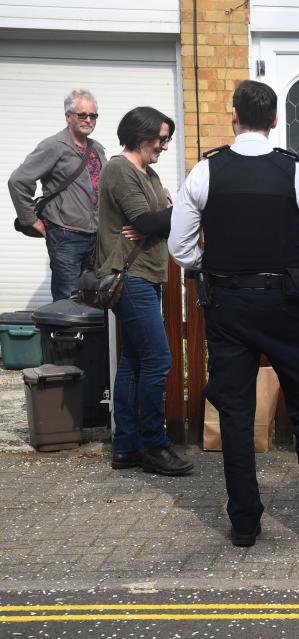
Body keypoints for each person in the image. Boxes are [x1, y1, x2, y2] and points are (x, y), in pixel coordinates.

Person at [169, 80, 299, 548]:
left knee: (236, 414)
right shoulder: (295, 173)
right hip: (285, 306)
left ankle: (244, 524)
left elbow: (180, 247)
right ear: (275, 120)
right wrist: (290, 270)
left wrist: (213, 267)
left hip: (227, 306)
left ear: (233, 116)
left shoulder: (205, 173)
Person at [97, 106, 192, 477]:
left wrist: (163, 219)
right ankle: (154, 446)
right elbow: (149, 220)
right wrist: (174, 211)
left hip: (147, 276)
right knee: (158, 360)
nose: (165, 146)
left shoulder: (147, 174)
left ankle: (126, 448)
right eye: (162, 138)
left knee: (134, 363)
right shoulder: (119, 169)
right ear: (142, 136)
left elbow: (162, 223)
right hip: (129, 276)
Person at [8, 89, 108, 300]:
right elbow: (18, 180)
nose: (88, 120)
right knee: (67, 302)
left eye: (93, 116)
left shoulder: (97, 148)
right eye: (82, 115)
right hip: (65, 236)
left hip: (95, 237)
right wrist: (30, 219)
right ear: (68, 116)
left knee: (92, 299)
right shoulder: (54, 146)